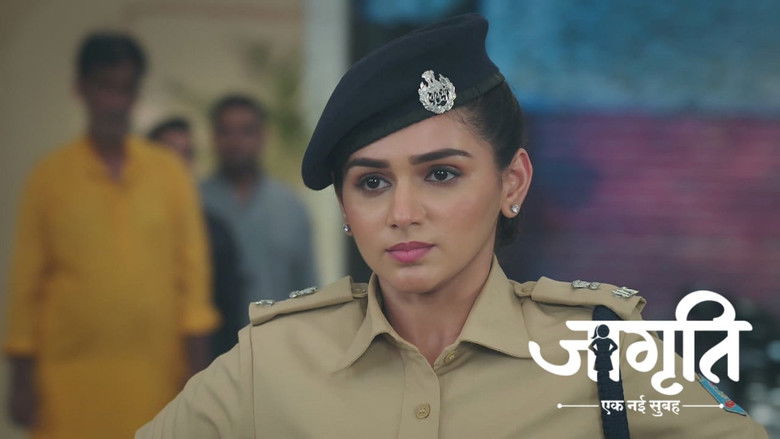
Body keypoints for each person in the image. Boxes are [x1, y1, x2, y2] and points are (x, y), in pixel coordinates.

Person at [136, 14, 768, 438]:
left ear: (511, 183)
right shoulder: (273, 360)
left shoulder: (605, 354)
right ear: (345, 209)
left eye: (441, 174)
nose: (402, 213)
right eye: (372, 182)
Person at [4, 32, 219, 438]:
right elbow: (26, 281)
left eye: (126, 89)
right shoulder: (49, 177)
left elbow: (194, 276)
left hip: (157, 374)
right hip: (67, 378)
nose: (116, 102)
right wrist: (20, 377)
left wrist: (199, 371)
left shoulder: (168, 174)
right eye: (105, 87)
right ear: (81, 89)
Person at [200, 95, 317, 305]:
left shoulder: (289, 207)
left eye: (246, 131)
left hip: (279, 325)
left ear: (263, 137)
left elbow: (308, 286)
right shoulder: (195, 203)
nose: (236, 142)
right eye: (226, 131)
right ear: (214, 137)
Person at [148, 117, 245, 358]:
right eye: (168, 155)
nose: (179, 164)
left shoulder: (216, 231)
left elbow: (229, 314)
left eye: (187, 154)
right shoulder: (131, 227)